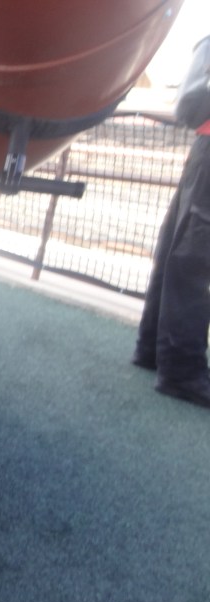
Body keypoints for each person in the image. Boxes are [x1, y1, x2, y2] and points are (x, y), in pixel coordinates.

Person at [131, 117, 210, 408]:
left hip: (206, 144)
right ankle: (181, 371)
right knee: (194, 260)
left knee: (178, 249)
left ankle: (152, 348)